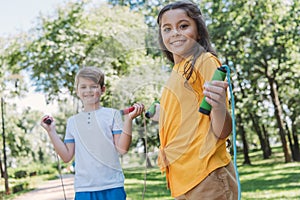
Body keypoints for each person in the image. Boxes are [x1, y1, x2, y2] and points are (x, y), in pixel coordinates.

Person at [153, 1, 238, 199]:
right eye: (167, 28)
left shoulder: (204, 61)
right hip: (181, 178)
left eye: (183, 26)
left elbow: (222, 130)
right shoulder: (174, 74)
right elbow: (184, 119)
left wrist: (217, 106)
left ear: (198, 31)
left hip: (207, 174)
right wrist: (158, 114)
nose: (175, 33)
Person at [41, 66, 144, 200]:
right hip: (84, 188)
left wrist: (128, 120)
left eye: (93, 86)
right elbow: (66, 157)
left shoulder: (112, 115)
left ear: (102, 90)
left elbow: (122, 149)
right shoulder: (72, 122)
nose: (88, 90)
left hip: (112, 185)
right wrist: (51, 131)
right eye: (83, 87)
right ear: (77, 91)